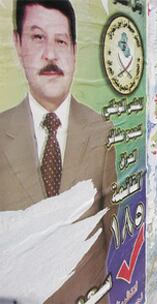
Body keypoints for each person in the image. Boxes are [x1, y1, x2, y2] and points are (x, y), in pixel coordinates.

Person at [0, 1, 116, 302]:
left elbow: (110, 222)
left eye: (60, 41)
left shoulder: (101, 131)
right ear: (18, 43)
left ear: (74, 51)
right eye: (38, 38)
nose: (51, 55)